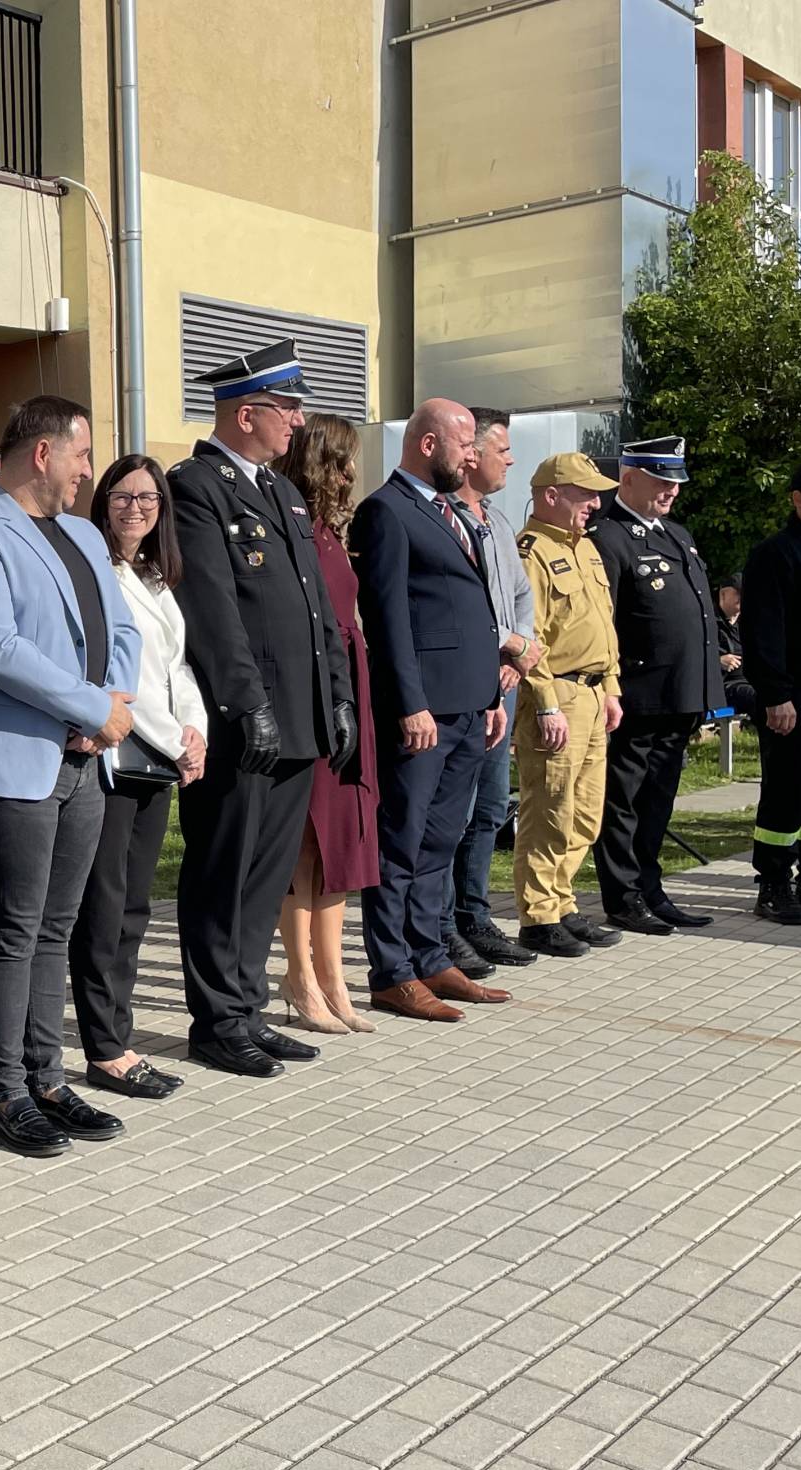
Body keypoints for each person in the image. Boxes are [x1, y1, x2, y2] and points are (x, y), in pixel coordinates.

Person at [0, 395, 139, 1155]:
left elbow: (121, 629)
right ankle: (5, 1093)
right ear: (42, 454)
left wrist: (110, 708)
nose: (88, 471)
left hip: (86, 759)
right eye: (82, 455)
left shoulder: (85, 535)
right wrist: (91, 707)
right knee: (15, 929)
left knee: (57, 926)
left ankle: (48, 1081)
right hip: (18, 761)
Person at [167, 341, 356, 1076]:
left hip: (300, 721)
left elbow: (317, 611)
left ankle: (245, 1009)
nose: (298, 422)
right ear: (247, 415)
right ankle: (216, 1021)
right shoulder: (196, 487)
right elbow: (213, 611)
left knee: (268, 874)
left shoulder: (281, 492)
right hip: (245, 724)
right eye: (287, 408)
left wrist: (337, 697)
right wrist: (248, 706)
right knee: (226, 871)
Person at [348, 399, 508, 1022]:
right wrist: (410, 704)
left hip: (468, 706)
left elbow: (472, 614)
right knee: (402, 841)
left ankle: (430, 955)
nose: (471, 456)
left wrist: (489, 696)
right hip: (423, 714)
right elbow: (387, 617)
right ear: (428, 443)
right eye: (464, 444)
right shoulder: (386, 511)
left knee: (441, 839)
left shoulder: (452, 512)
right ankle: (392, 972)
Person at [71, 454, 206, 1099]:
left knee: (132, 905)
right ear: (103, 502)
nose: (135, 508)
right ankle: (104, 1047)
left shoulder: (155, 575)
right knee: (104, 907)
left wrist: (195, 730)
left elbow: (177, 667)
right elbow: (123, 681)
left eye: (148, 498)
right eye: (122, 496)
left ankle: (118, 1037)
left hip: (156, 758)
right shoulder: (96, 567)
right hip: (119, 757)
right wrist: (176, 742)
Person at [269, 414, 378, 1035]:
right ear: (318, 463)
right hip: (311, 692)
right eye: (341, 461)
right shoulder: (293, 529)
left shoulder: (332, 532)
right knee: (304, 842)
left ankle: (334, 977)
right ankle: (300, 976)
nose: (349, 474)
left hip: (346, 684)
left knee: (340, 842)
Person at [589, 437, 723, 933]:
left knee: (658, 800)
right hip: (639, 694)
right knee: (624, 801)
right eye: (662, 481)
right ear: (628, 479)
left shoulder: (676, 534)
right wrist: (612, 686)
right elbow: (604, 620)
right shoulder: (609, 536)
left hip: (681, 692)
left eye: (676, 482)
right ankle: (623, 897)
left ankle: (650, 888)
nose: (672, 491)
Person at [511, 453, 624, 958]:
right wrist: (545, 704)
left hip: (594, 694)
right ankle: (539, 917)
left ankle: (562, 902)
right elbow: (529, 637)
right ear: (551, 495)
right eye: (585, 493)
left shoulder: (587, 547)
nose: (595, 503)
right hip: (557, 694)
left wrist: (612, 687)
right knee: (549, 810)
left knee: (585, 814)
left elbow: (604, 624)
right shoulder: (531, 552)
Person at [444, 407, 543, 972]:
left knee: (487, 810)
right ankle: (442, 925)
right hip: (463, 686)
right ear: (470, 454)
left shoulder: (499, 523)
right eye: (501, 450)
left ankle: (474, 916)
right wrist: (508, 643)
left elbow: (521, 598)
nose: (510, 460)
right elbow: (462, 611)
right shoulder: (445, 517)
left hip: (501, 685)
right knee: (451, 816)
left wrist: (518, 656)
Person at [742, 458, 801, 924]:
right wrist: (776, 694)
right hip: (797, 696)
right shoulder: (776, 554)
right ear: (800, 500)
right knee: (788, 791)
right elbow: (764, 632)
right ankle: (774, 883)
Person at [717, 581, 758, 722]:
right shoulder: (707, 623)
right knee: (758, 697)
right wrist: (718, 661)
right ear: (723, 594)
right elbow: (693, 657)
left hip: (750, 680)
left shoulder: (749, 623)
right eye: (738, 593)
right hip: (725, 685)